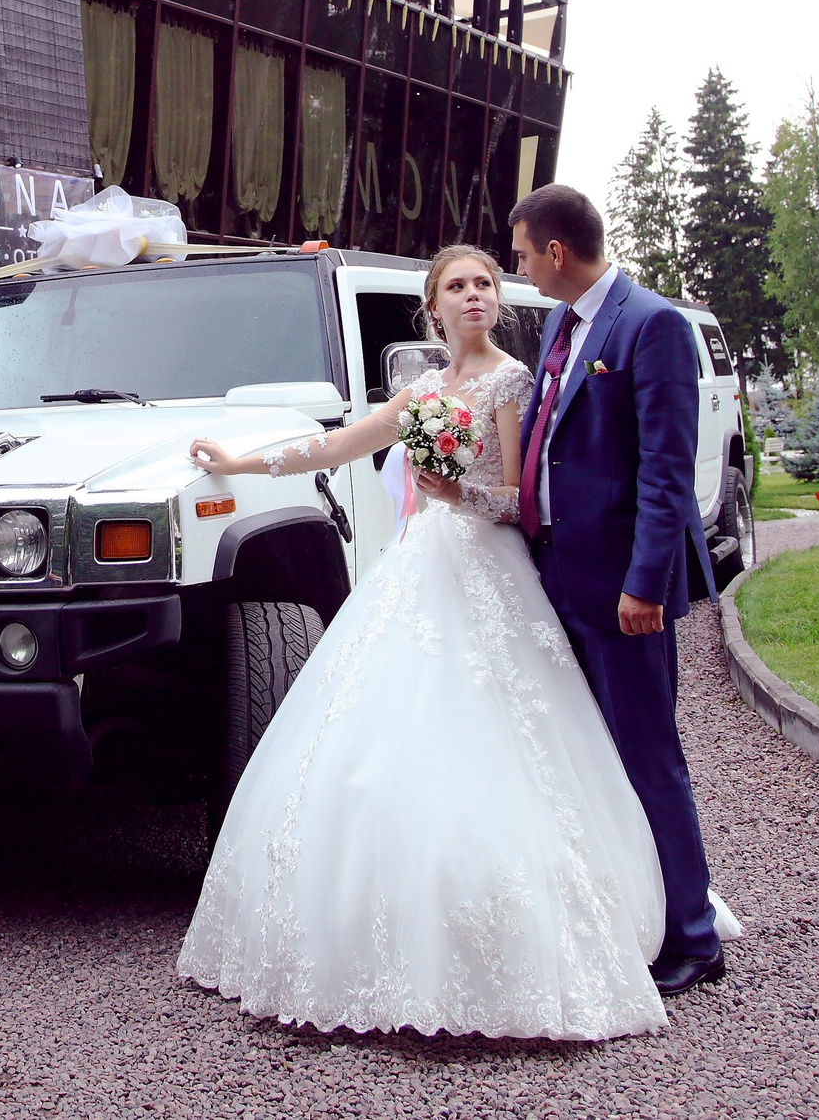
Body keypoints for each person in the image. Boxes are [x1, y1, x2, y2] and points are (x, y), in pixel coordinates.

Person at [176, 244, 718, 1040]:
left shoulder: (511, 380)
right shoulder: (423, 388)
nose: (475, 295)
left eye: (487, 283)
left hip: (491, 569)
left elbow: (522, 500)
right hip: (419, 566)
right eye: (458, 286)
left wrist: (457, 490)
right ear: (432, 308)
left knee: (516, 735)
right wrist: (240, 461)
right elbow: (334, 446)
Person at [508, 184, 727, 997]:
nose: (518, 267)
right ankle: (625, 915)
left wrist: (646, 585)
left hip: (622, 589)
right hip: (558, 571)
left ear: (557, 252)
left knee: (646, 754)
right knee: (587, 757)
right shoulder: (564, 327)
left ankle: (694, 937)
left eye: (523, 252)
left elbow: (667, 474)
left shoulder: (652, 324)